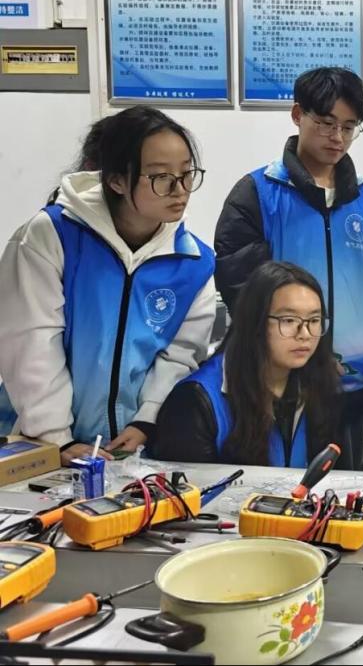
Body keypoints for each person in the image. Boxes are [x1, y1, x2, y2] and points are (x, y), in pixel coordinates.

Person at [0, 106, 216, 465]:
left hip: (130, 449)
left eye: (186, 174)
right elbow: (31, 342)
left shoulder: (193, 262)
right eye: (161, 177)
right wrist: (57, 439)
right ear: (116, 180)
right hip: (37, 443)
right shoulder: (52, 236)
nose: (180, 190)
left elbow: (180, 355)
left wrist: (147, 419)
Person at [214, 67, 363, 470]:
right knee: (282, 487)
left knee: (347, 485)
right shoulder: (257, 194)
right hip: (283, 388)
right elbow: (242, 289)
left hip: (359, 383)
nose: (337, 137)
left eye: (349, 127)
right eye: (326, 123)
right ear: (297, 115)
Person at [154, 262, 336, 467]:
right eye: (288, 320)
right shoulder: (196, 402)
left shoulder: (319, 383)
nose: (305, 334)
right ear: (255, 322)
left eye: (314, 320)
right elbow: (186, 485)